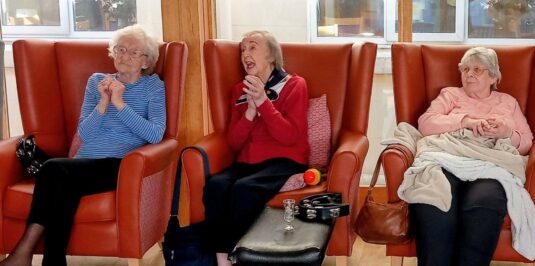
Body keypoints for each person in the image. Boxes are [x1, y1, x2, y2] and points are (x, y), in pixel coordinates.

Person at [0, 24, 166, 266]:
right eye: (120, 49)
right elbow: (85, 133)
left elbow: (155, 135)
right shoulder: (97, 81)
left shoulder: (152, 86)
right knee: (61, 186)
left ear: (145, 61)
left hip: (121, 166)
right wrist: (103, 103)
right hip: (84, 164)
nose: (124, 56)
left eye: (133, 52)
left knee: (52, 170)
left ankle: (23, 252)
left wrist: (120, 104)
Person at [411, 47, 533, 266]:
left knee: (483, 206)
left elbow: (526, 142)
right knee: (433, 201)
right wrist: (465, 121)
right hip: (447, 158)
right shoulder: (450, 95)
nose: (469, 74)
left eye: (478, 70)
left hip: (489, 164)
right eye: (465, 69)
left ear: (493, 77)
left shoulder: (507, 102)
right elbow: (426, 123)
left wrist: (505, 133)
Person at [202, 30, 309, 266]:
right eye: (242, 49)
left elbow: (289, 136)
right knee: (216, 185)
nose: (245, 54)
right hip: (248, 162)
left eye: (252, 47)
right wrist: (250, 112)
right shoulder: (238, 90)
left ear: (271, 55)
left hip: (285, 159)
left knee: (244, 189)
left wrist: (263, 102)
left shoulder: (294, 85)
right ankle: (223, 259)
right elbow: (234, 143)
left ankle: (243, 256)